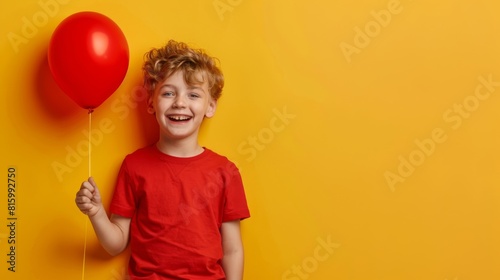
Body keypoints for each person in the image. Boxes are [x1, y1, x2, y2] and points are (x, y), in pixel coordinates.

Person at [75, 40, 250, 280]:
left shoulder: (225, 171)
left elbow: (233, 250)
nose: (179, 102)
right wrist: (96, 213)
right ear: (151, 103)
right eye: (168, 93)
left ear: (210, 106)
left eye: (193, 94)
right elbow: (116, 244)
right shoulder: (134, 166)